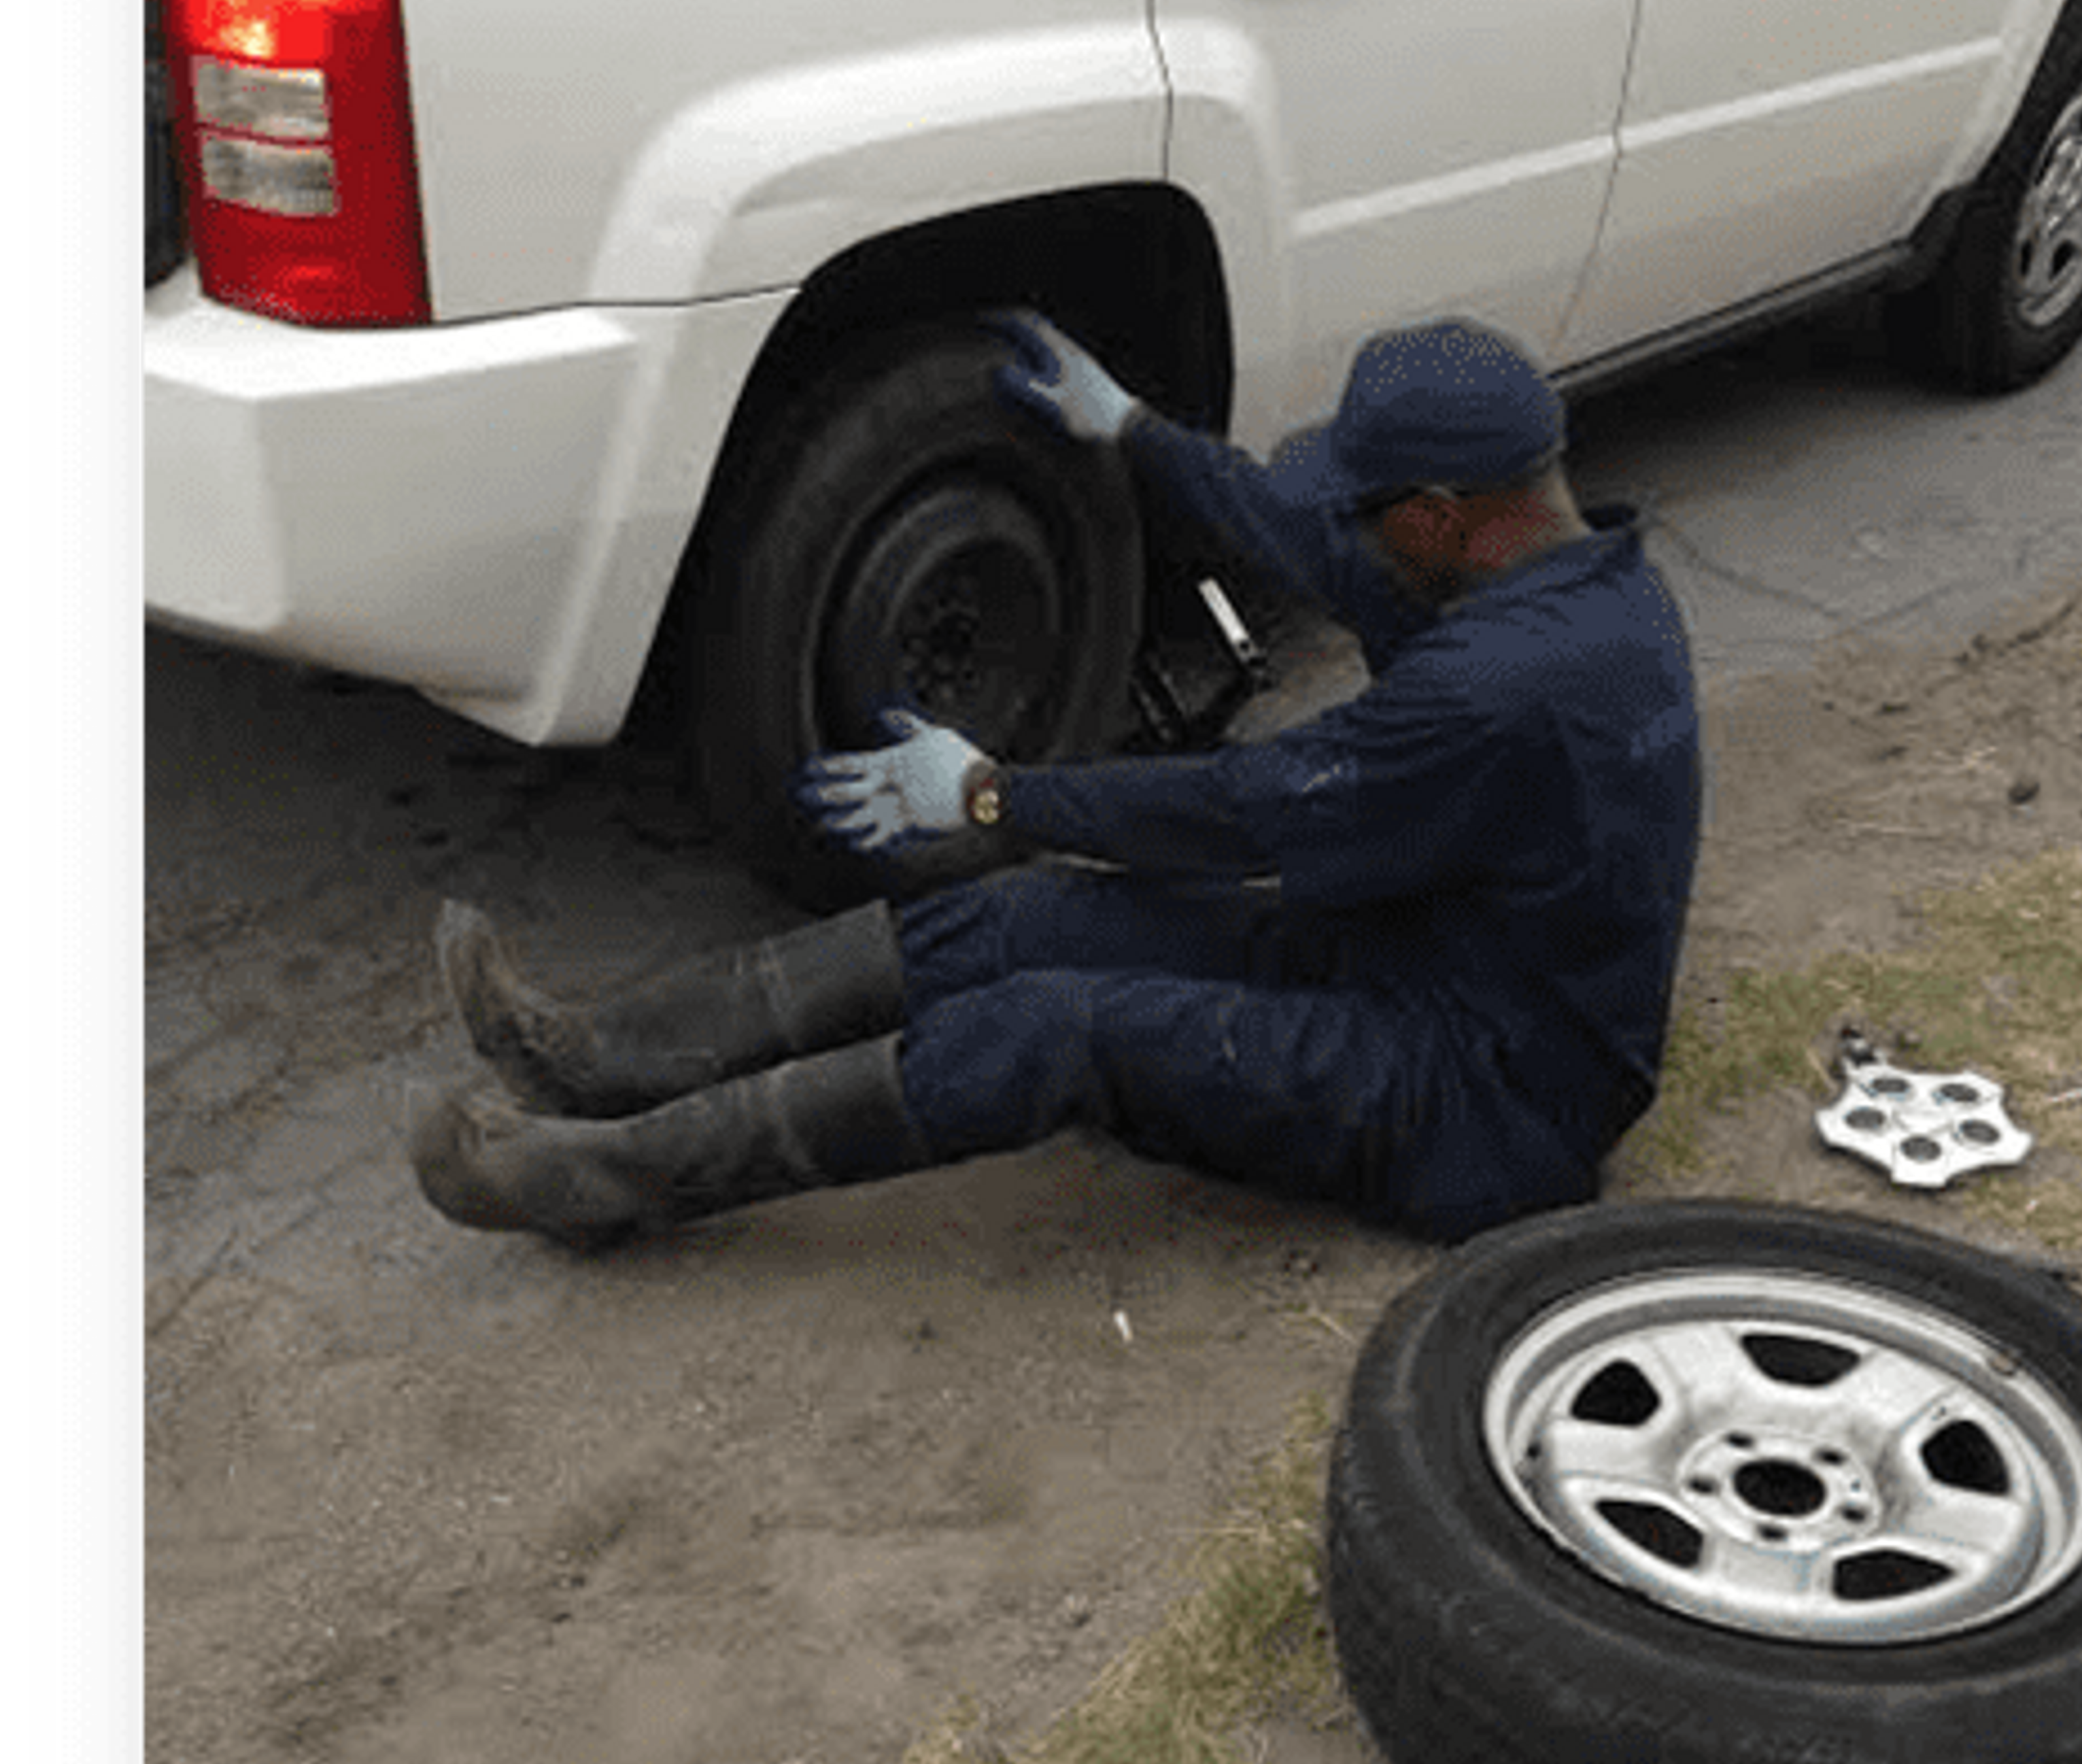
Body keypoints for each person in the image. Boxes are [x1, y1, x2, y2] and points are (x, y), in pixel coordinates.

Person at [409, 311, 1702, 1253]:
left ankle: (617, 1176)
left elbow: (1240, 812)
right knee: (1016, 917)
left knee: (1057, 1025)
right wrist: (1134, 428)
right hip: (1418, 954)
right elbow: (1310, 538)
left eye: (1371, 513)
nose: (1348, 531)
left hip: (1483, 1100)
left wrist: (989, 796)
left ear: (1431, 517)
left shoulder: (1495, 690)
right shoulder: (1561, 579)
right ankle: (589, 1054)